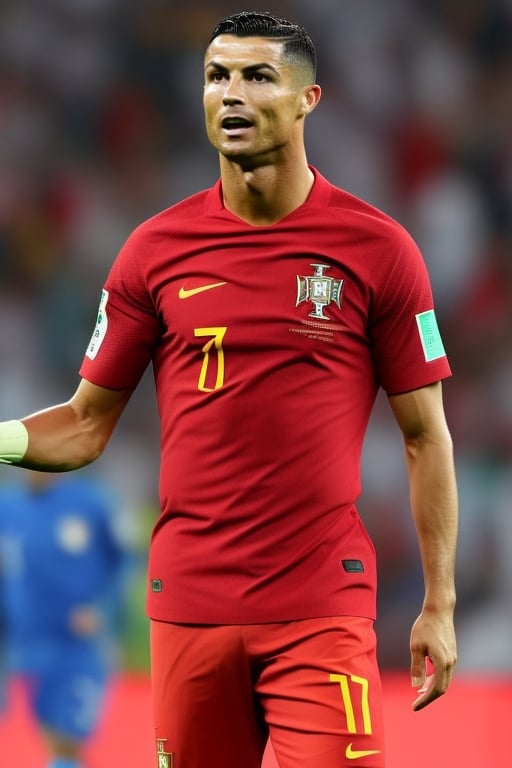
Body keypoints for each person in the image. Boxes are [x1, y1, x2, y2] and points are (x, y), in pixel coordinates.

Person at [0, 11, 458, 768]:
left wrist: (438, 603)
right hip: (189, 609)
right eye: (217, 77)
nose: (231, 94)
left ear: (309, 99)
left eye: (257, 76)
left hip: (320, 606)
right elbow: (84, 425)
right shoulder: (154, 251)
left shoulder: (380, 250)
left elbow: (425, 434)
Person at [0, 470, 129, 768]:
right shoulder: (8, 506)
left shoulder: (91, 502)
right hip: (27, 647)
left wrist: (102, 609)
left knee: (68, 737)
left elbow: (122, 560)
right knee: (51, 739)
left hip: (78, 646)